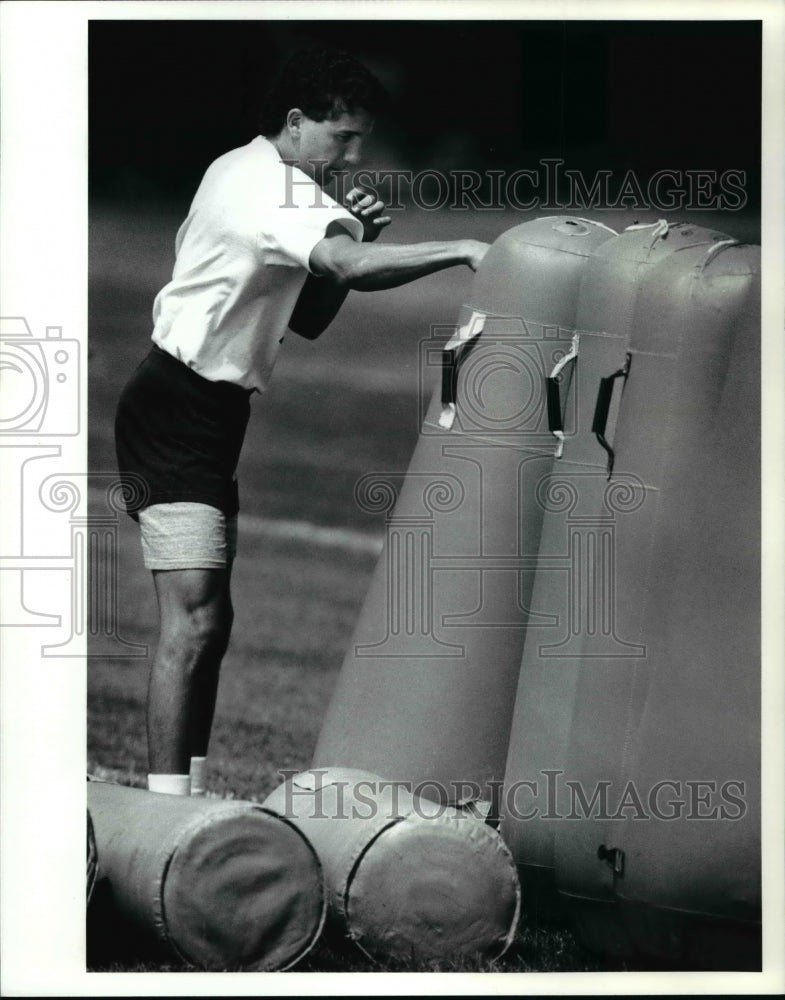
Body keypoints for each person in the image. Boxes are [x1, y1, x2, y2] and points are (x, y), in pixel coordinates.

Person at [114, 47, 489, 796]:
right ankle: (164, 808)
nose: (352, 156)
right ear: (295, 122)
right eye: (341, 137)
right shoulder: (278, 190)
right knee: (191, 624)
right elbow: (345, 271)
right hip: (177, 410)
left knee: (209, 624)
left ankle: (179, 796)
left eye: (360, 140)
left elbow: (312, 314)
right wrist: (461, 249)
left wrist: (361, 236)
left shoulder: (240, 168)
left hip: (199, 412)